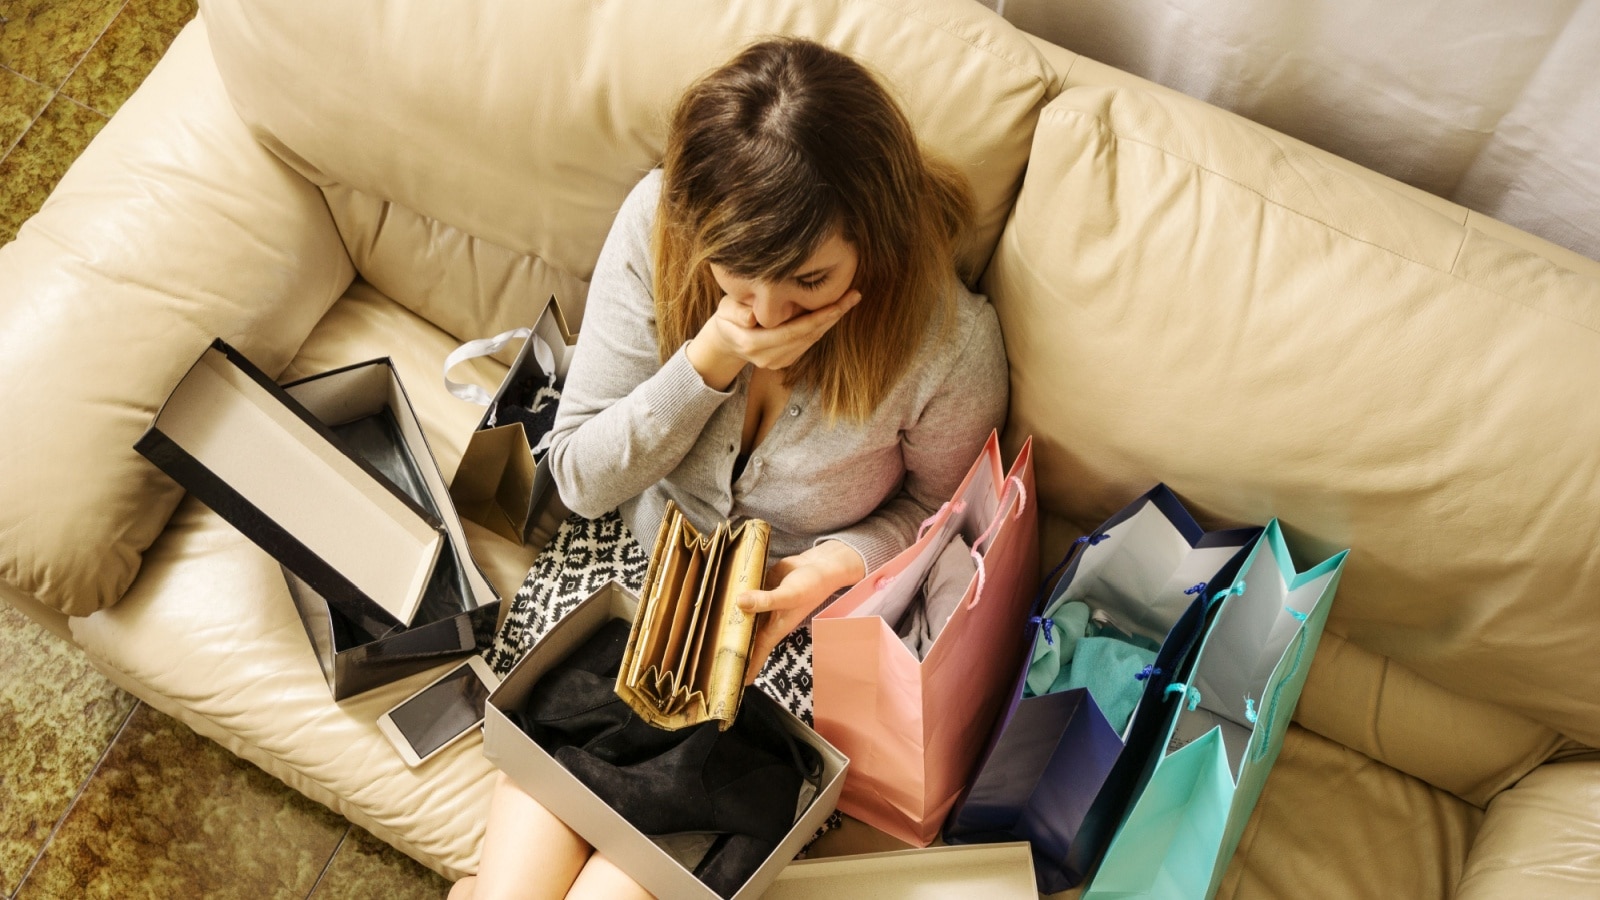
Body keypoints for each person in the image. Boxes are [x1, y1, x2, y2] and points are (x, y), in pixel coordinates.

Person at [452, 36, 1008, 900]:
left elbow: (945, 517)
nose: (771, 317)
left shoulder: (949, 343)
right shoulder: (658, 221)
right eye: (739, 282)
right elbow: (579, 476)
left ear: (877, 237)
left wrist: (826, 567)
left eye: (810, 283)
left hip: (792, 645)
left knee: (619, 884)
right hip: (625, 583)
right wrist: (707, 359)